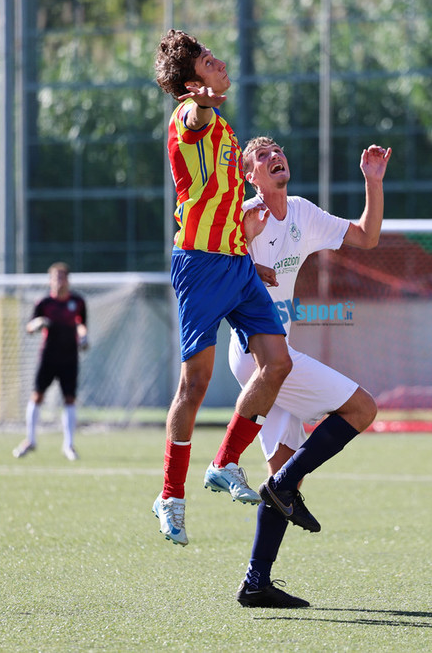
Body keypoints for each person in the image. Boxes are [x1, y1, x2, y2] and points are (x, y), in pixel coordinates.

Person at [230, 137, 392, 608]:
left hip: (274, 355)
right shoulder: (246, 216)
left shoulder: (300, 211)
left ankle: (256, 583)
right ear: (250, 176)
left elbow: (367, 236)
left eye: (277, 150)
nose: (274, 156)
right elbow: (211, 264)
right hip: (260, 354)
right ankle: (280, 487)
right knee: (362, 408)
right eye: (262, 156)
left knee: (286, 470)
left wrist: (372, 182)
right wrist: (247, 262)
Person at [151, 29, 293, 547]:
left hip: (237, 264)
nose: (220, 63)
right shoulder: (191, 118)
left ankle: (226, 461)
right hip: (200, 265)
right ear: (192, 85)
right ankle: (170, 496)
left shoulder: (224, 127)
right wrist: (201, 102)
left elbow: (223, 197)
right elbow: (194, 117)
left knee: (278, 363)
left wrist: (247, 242)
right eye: (208, 62)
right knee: (196, 384)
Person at [13, 261, 89, 462]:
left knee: (69, 399)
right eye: (55, 277)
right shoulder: (43, 303)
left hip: (70, 357)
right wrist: (37, 324)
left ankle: (68, 445)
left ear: (68, 280)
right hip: (48, 357)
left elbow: (82, 324)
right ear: (50, 280)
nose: (58, 281)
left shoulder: (78, 302)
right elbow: (29, 328)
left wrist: (84, 337)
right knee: (37, 395)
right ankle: (30, 440)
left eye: (62, 277)